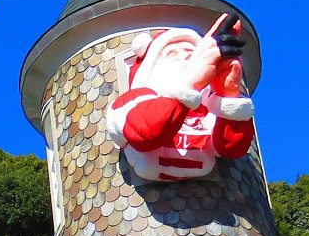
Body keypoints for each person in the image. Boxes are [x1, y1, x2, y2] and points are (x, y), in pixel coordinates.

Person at [106, 13, 255, 182]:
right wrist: (190, 82)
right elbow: (145, 132)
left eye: (191, 54)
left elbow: (232, 148)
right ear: (152, 66)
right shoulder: (131, 102)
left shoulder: (207, 111)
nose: (185, 58)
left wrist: (228, 95)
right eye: (174, 53)